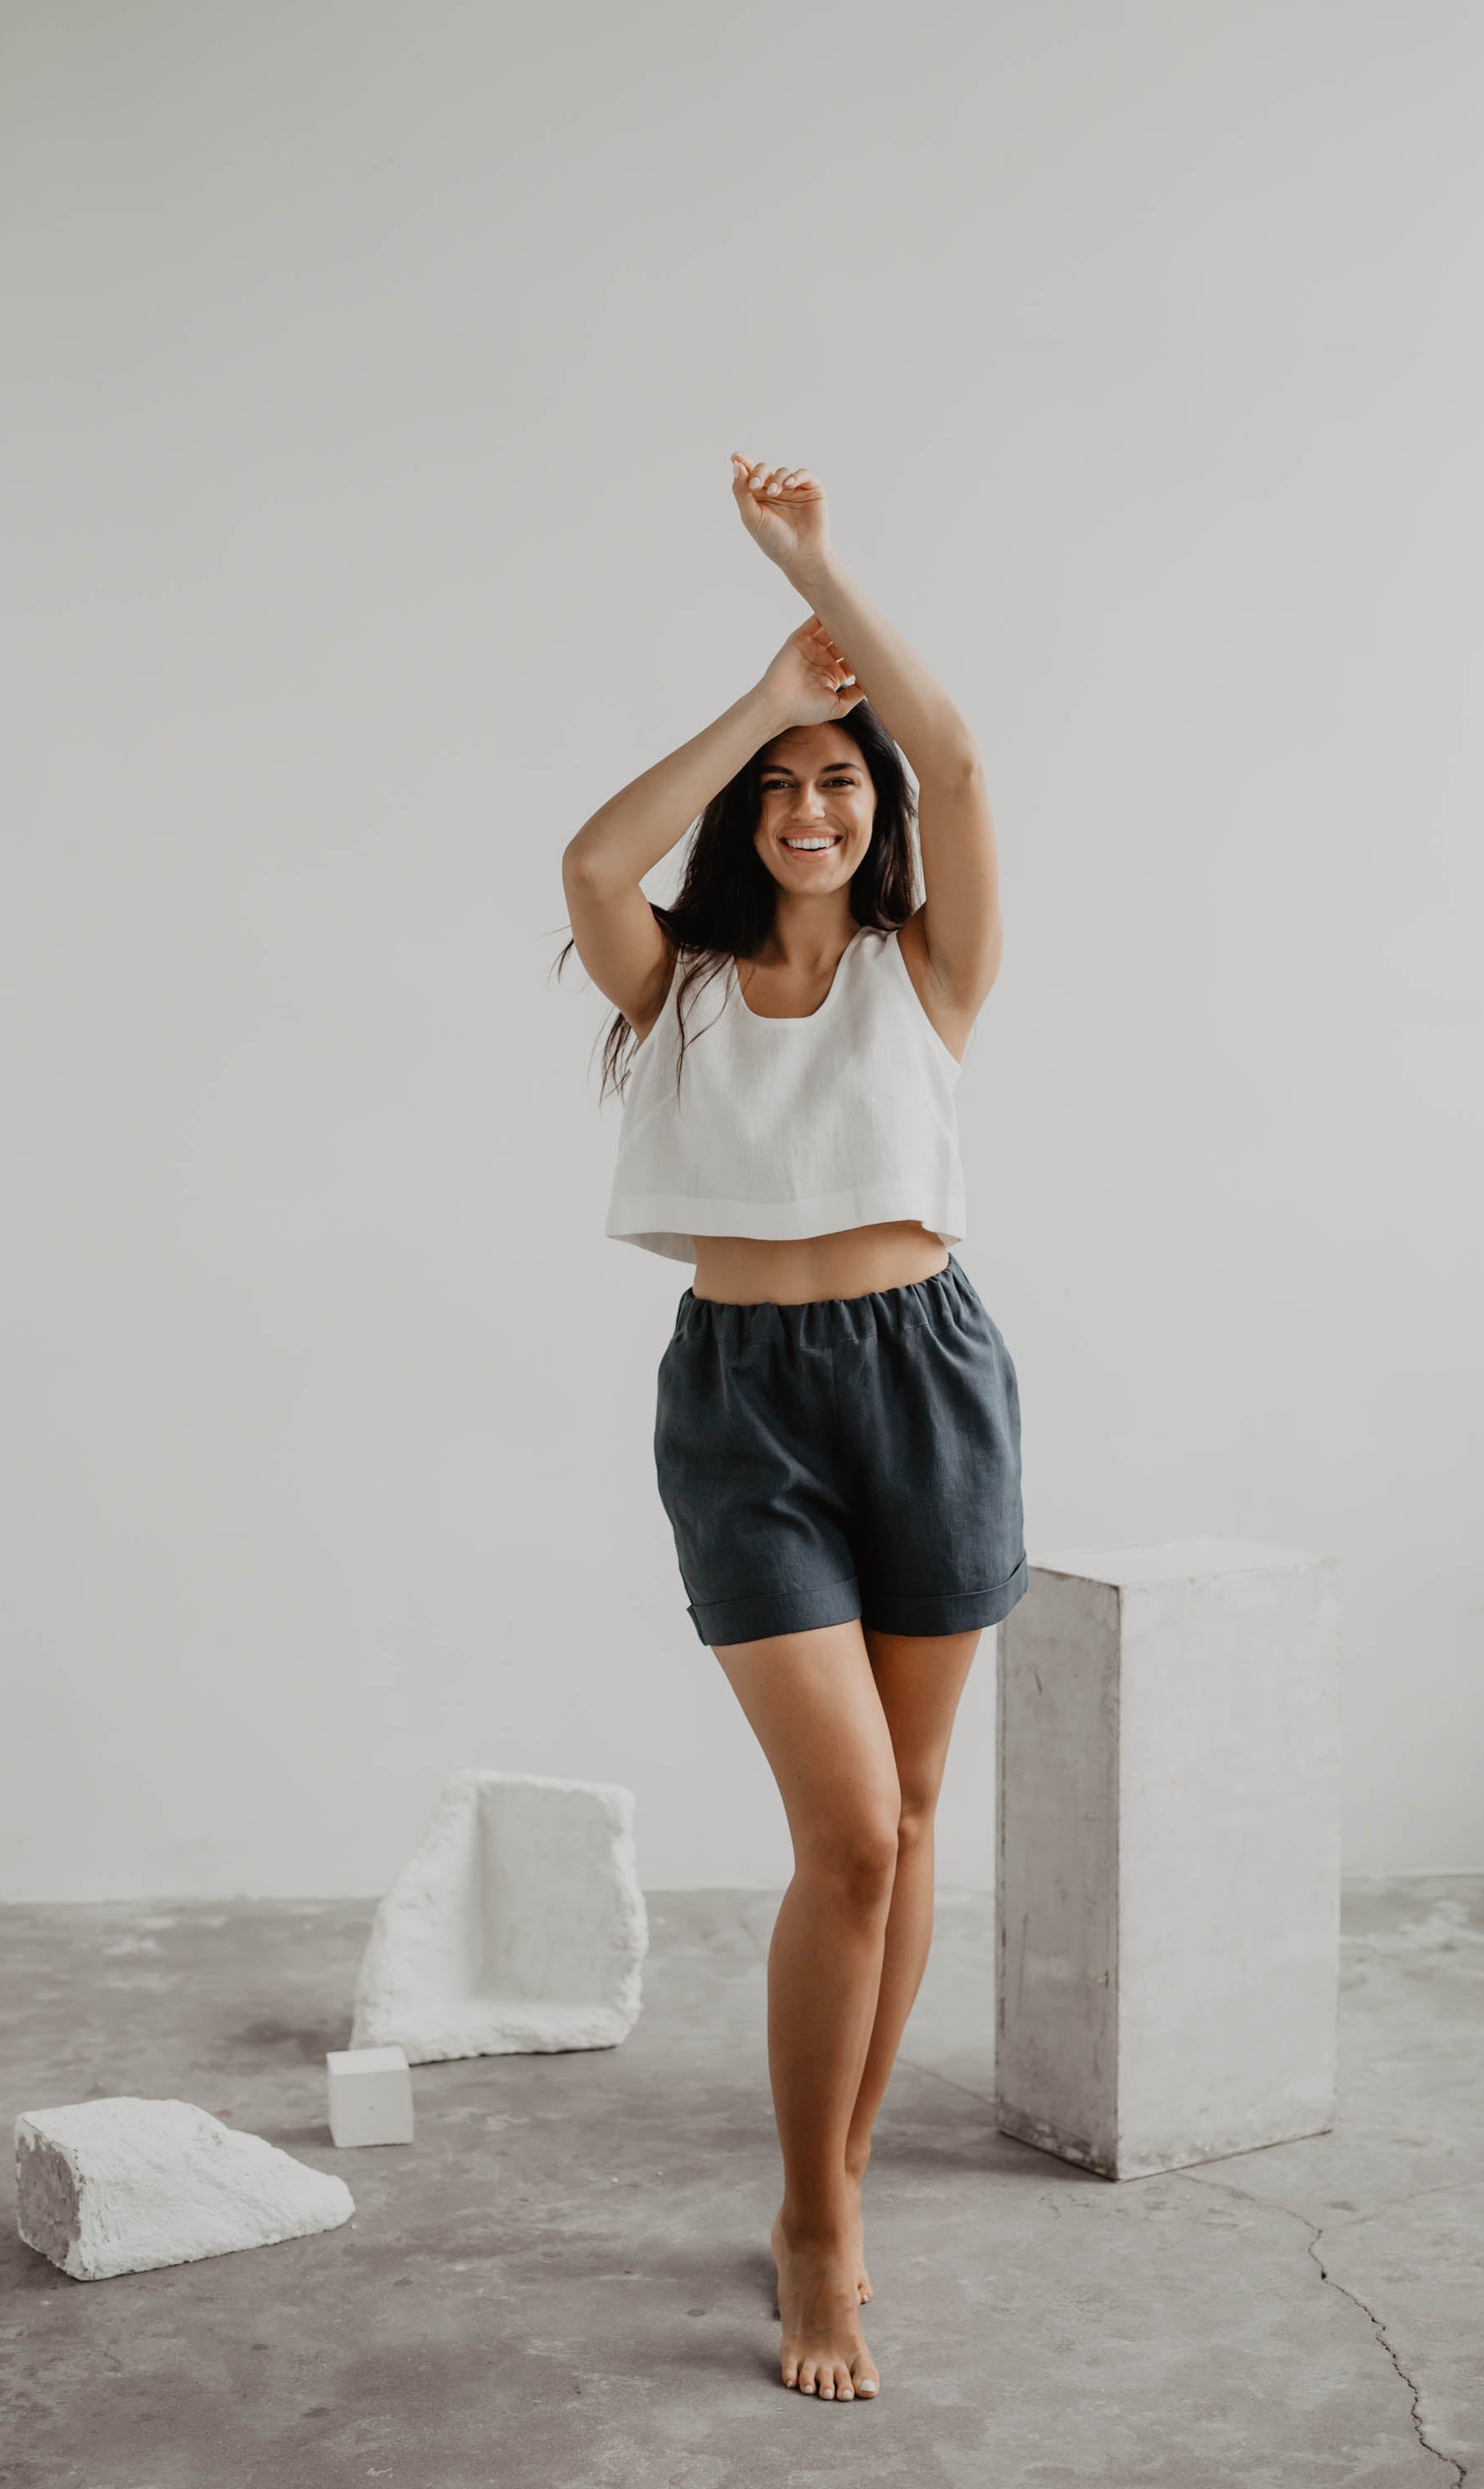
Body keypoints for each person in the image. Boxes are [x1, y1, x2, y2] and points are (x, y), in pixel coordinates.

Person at [557, 456, 1028, 2404]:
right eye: (787, 789)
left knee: (904, 1827)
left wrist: (819, 571)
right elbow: (593, 864)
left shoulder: (928, 976)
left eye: (843, 781)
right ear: (753, 815)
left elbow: (968, 762)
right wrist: (764, 696)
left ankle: (828, 2175)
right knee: (844, 1833)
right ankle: (815, 2225)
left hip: (924, 1379)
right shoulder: (672, 988)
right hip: (743, 1408)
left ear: (878, 811)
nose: (819, 806)